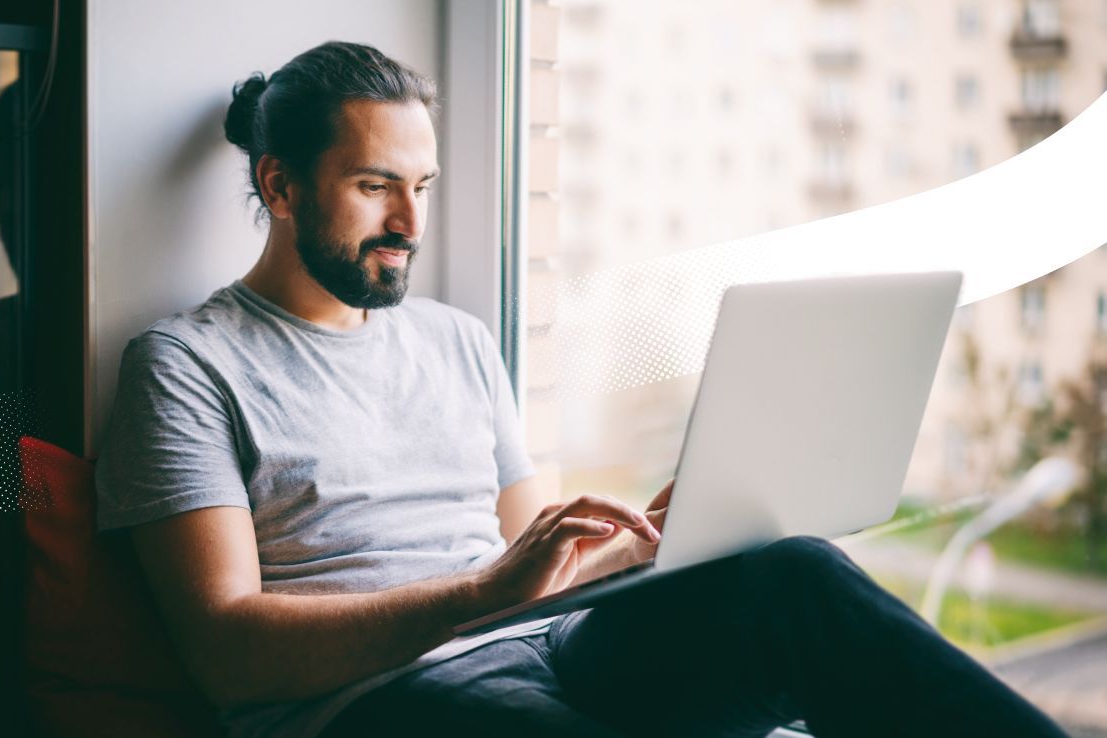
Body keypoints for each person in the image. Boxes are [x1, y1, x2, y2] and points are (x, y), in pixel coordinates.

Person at [95, 41, 1068, 738]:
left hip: (546, 643)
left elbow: (533, 560)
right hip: (366, 701)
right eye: (373, 186)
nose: (407, 220)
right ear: (280, 185)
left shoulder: (454, 340)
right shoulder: (187, 364)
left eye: (423, 188)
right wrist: (481, 592)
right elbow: (226, 650)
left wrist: (648, 545)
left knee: (791, 575)